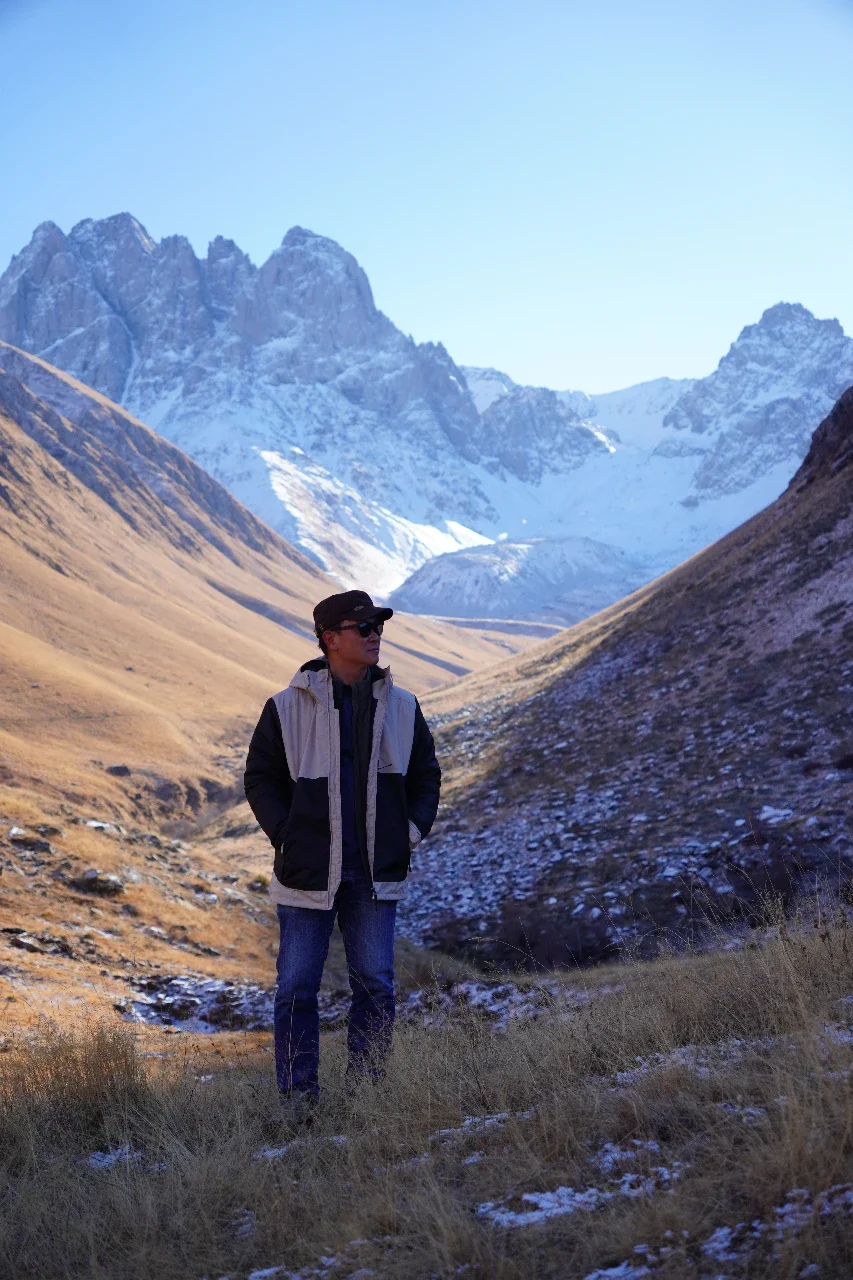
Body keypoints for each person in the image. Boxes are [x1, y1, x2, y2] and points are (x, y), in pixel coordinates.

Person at [244, 589, 441, 1114]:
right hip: (307, 872)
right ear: (330, 639)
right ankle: (297, 1102)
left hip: (376, 874)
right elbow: (260, 777)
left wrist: (410, 833)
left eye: (379, 626)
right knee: (296, 988)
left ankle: (369, 1096)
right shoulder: (285, 707)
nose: (375, 634)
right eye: (363, 627)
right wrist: (286, 833)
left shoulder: (403, 705)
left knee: (376, 984)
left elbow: (426, 777)